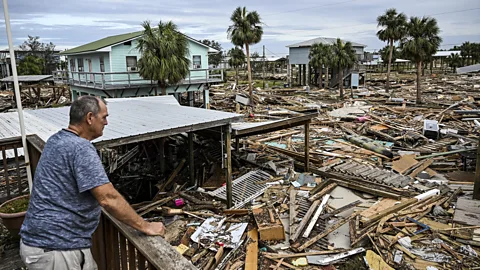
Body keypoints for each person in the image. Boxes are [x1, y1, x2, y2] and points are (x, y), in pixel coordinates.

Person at [19, 96, 165, 269]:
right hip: (56, 248)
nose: (106, 123)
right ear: (90, 118)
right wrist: (146, 226)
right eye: (104, 117)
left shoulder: (56, 140)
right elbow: (108, 198)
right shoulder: (80, 148)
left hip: (47, 243)